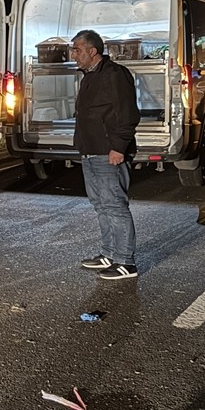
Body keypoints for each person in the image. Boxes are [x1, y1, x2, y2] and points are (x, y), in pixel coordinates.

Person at [71, 29, 140, 281]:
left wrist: (118, 147)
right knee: (100, 204)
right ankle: (109, 254)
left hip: (108, 152)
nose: (73, 54)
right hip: (90, 150)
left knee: (114, 205)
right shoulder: (88, 76)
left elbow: (128, 113)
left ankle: (125, 262)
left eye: (77, 50)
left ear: (93, 51)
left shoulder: (115, 75)